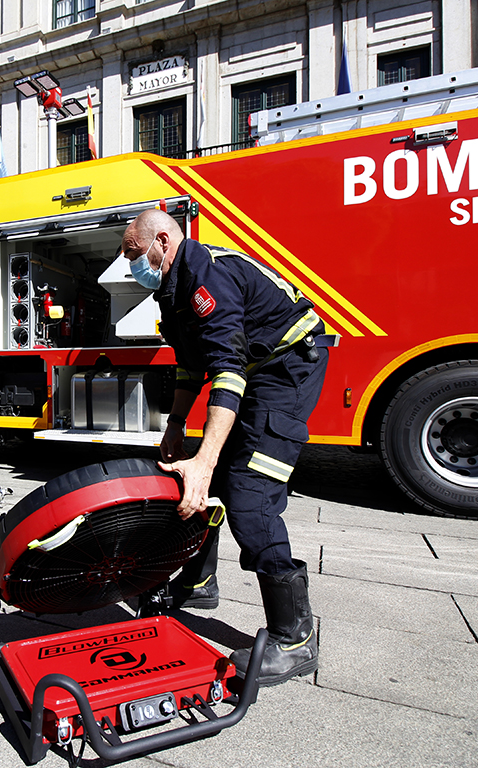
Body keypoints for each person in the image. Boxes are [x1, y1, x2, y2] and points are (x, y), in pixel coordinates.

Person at [121, 209, 332, 687]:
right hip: (253, 373)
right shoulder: (171, 292)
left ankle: (295, 638)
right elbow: (192, 367)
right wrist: (177, 427)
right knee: (197, 477)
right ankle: (198, 584)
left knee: (248, 494)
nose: (129, 264)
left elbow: (228, 371)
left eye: (134, 253)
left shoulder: (207, 278)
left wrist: (205, 462)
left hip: (286, 370)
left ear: (162, 241)